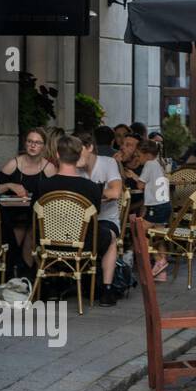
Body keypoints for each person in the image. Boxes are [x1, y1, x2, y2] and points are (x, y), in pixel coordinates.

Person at [36, 136, 106, 301]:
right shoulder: (91, 188)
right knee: (109, 236)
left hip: (48, 244)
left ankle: (48, 283)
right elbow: (96, 215)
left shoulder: (43, 185)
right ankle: (103, 289)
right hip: (82, 246)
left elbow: (35, 214)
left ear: (57, 155)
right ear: (78, 156)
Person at [0, 127, 57, 269]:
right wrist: (10, 185)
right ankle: (13, 268)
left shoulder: (49, 168)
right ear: (25, 143)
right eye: (30, 141)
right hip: (13, 214)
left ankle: (26, 271)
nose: (33, 145)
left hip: (39, 217)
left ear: (44, 146)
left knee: (31, 228)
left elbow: (55, 196)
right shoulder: (14, 164)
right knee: (16, 227)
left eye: (37, 142)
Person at [79, 130, 124, 305]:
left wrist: (90, 193)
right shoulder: (72, 166)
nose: (75, 155)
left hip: (105, 218)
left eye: (79, 149)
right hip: (79, 220)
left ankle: (107, 287)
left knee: (109, 236)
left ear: (89, 147)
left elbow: (115, 192)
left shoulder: (107, 163)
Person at [137, 139, 172, 281]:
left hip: (155, 207)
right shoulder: (159, 163)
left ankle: (151, 261)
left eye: (138, 155)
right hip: (165, 205)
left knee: (139, 231)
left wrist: (133, 177)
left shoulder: (149, 164)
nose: (138, 158)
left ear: (146, 154)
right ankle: (161, 270)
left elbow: (140, 185)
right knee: (158, 236)